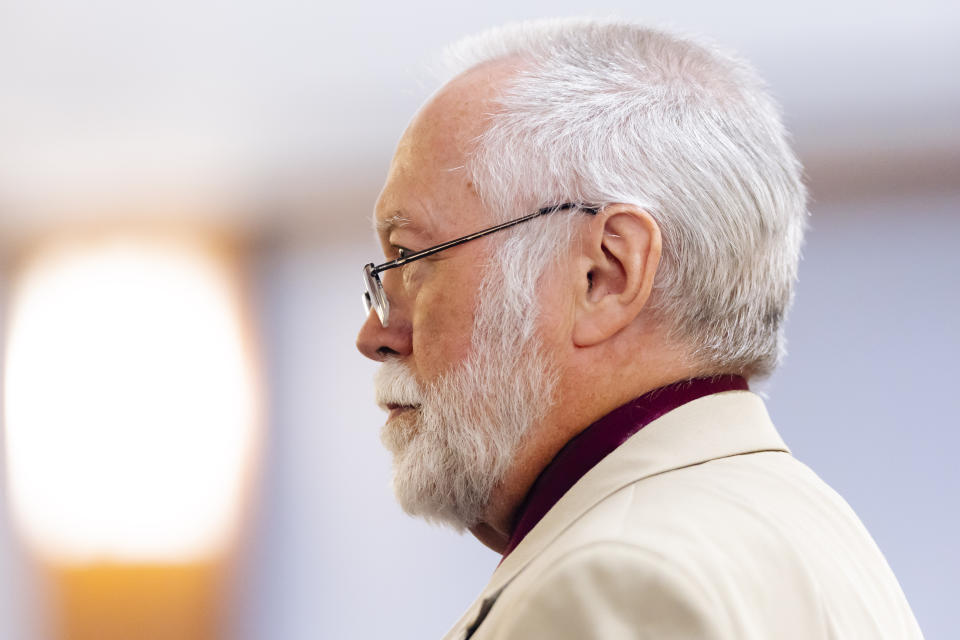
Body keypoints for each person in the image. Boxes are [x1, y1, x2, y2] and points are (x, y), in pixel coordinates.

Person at [356, 18, 922, 639]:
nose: (375, 334)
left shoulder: (613, 579)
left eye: (410, 258)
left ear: (605, 275)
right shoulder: (810, 527)